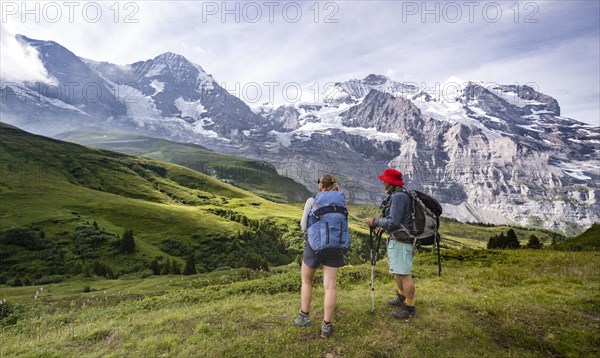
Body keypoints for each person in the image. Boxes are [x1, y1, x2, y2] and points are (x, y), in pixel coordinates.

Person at [294, 174, 346, 339]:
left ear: (321, 185)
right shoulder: (341, 201)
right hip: (335, 247)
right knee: (330, 287)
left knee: (307, 281)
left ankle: (304, 316)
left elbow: (303, 227)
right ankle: (326, 327)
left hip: (314, 246)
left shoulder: (312, 201)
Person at [364, 168, 416, 319]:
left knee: (405, 274)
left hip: (401, 241)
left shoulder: (399, 197)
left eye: (385, 180)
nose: (383, 182)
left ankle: (410, 307)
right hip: (397, 238)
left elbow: (394, 221)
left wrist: (374, 222)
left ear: (391, 182)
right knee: (397, 271)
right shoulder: (399, 195)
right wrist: (383, 225)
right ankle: (401, 298)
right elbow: (394, 221)